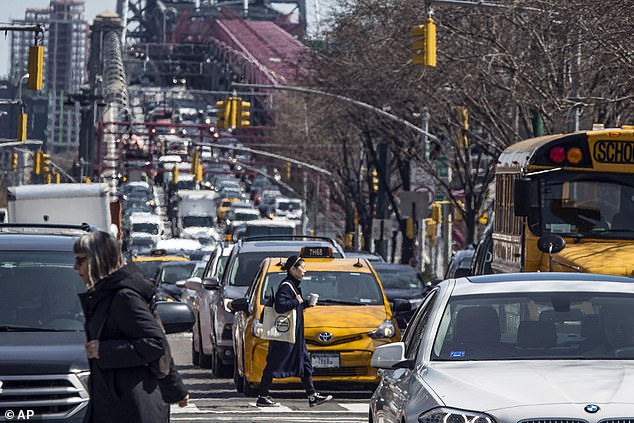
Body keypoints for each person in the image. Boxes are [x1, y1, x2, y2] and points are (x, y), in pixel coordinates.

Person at [74, 231, 188, 423]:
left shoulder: (123, 297)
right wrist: (175, 389)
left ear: (98, 260)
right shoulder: (106, 295)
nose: (75, 267)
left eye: (81, 260)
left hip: (130, 406)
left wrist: (105, 350)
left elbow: (155, 344)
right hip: (114, 403)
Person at [256, 254, 332, 408]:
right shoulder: (286, 286)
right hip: (285, 335)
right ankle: (262, 396)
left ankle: (312, 396)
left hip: (295, 335)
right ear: (292, 269)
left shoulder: (293, 285)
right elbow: (280, 306)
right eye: (302, 268)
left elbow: (292, 309)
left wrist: (305, 305)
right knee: (274, 364)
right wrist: (296, 301)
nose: (305, 271)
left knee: (305, 364)